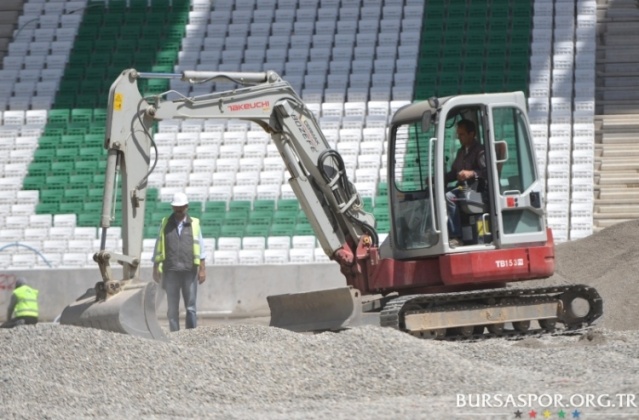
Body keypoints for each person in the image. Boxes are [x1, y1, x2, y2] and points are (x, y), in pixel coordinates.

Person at [152, 192, 207, 332]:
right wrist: (155, 267)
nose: (178, 211)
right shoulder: (165, 223)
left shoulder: (194, 224)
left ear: (186, 207)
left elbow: (201, 248)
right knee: (172, 309)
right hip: (170, 271)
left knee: (191, 307)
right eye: (176, 208)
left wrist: (202, 269)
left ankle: (192, 334)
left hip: (189, 270)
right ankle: (174, 334)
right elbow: (159, 245)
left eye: (181, 207)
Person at [444, 119, 487, 247]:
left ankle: (456, 236)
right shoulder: (461, 152)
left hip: (478, 190)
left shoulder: (480, 151)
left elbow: (487, 173)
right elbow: (453, 173)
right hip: (463, 188)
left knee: (449, 197)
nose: (459, 137)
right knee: (441, 194)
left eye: (462, 134)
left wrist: (471, 173)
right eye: (458, 134)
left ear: (471, 134)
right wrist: (437, 178)